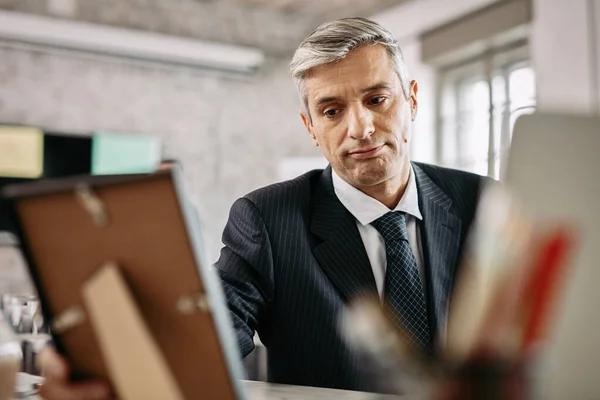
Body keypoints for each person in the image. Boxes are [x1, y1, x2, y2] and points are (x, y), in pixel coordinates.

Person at [37, 17, 489, 399]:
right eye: (331, 111)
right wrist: (112, 366)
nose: (361, 127)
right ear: (310, 127)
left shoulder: (484, 204)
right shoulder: (268, 219)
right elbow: (210, 334)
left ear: (410, 98)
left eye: (376, 99)